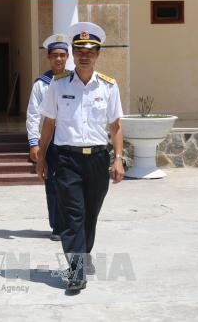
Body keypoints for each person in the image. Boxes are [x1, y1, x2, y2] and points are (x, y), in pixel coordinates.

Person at [36, 22, 125, 292]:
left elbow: (116, 126)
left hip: (98, 159)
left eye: (90, 51)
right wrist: (41, 157)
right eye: (80, 51)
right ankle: (76, 271)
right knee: (73, 215)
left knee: (90, 214)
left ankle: (82, 257)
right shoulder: (58, 84)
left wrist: (118, 158)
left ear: (98, 54)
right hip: (67, 159)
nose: (84, 55)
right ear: (73, 54)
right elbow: (49, 123)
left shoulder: (108, 86)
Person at [26, 33, 70, 242]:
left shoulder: (75, 80)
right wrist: (34, 143)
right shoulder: (41, 84)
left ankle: (70, 222)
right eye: (55, 56)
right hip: (50, 141)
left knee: (71, 183)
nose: (59, 59)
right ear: (49, 58)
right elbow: (34, 115)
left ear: (68, 56)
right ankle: (57, 225)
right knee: (52, 183)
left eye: (62, 55)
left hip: (71, 140)